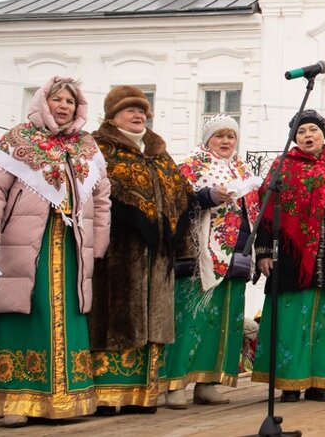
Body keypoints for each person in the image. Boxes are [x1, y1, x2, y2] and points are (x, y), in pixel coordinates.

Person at [0, 77, 111, 425]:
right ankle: (15, 400)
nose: (64, 106)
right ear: (42, 102)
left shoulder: (87, 147)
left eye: (70, 101)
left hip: (72, 244)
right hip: (27, 242)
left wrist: (100, 243)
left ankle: (67, 399)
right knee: (25, 311)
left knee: (69, 315)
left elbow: (102, 198)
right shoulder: (16, 141)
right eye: (57, 99)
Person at [89, 85, 224, 414]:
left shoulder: (159, 154)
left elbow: (182, 197)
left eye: (142, 111)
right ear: (112, 116)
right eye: (129, 110)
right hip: (116, 250)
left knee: (151, 319)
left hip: (157, 255)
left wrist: (209, 198)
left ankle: (141, 393)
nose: (138, 115)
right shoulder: (99, 148)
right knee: (117, 317)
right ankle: (109, 393)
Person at [252, 110, 325, 402]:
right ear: (294, 137)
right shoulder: (282, 167)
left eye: (313, 129)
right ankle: (290, 383)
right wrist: (263, 251)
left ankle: (319, 383)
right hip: (292, 258)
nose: (307, 135)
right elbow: (264, 209)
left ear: (324, 134)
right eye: (301, 131)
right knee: (290, 320)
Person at [162, 114, 261, 407]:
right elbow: (177, 202)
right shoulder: (191, 167)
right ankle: (175, 383)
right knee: (192, 319)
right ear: (208, 139)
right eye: (220, 136)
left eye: (231, 136)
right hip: (199, 256)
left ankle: (209, 382)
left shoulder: (242, 169)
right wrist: (209, 195)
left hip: (237, 255)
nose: (226, 141)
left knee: (225, 323)